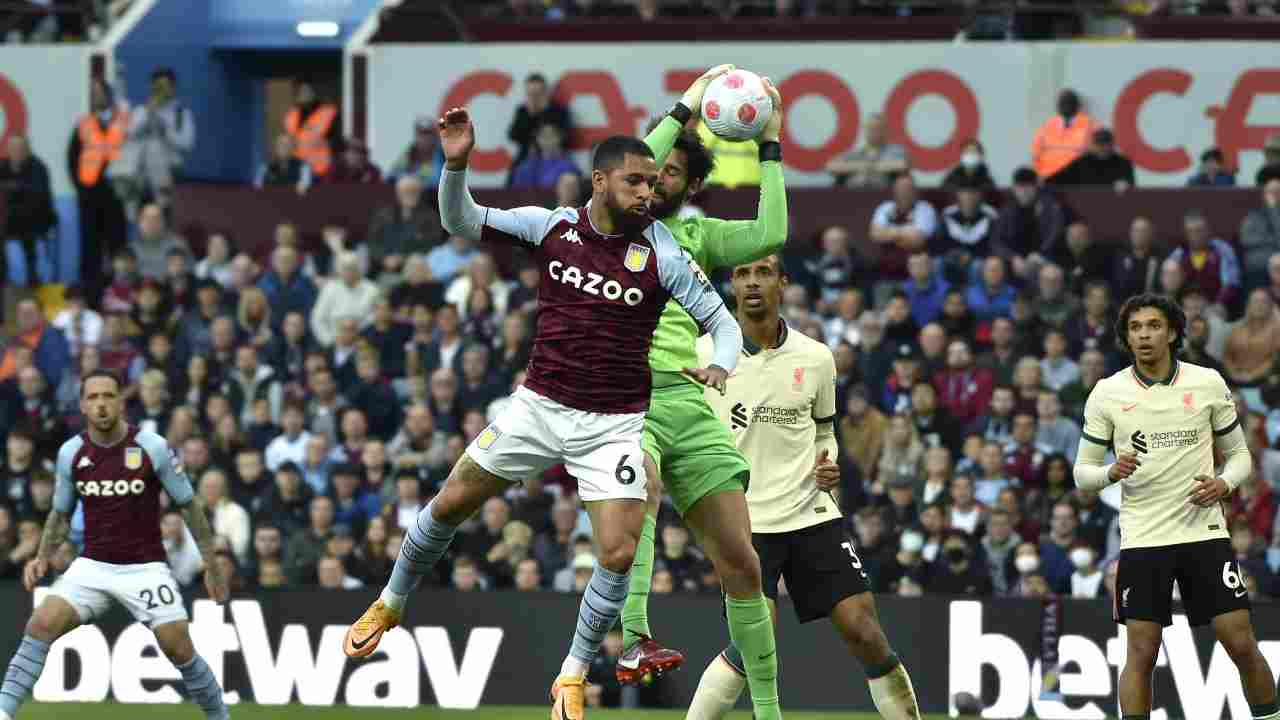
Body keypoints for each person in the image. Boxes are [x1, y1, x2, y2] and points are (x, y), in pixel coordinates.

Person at [341, 97, 746, 720]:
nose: (648, 193)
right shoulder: (549, 226)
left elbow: (723, 324)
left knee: (616, 551)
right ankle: (391, 602)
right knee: (450, 504)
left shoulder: (663, 253)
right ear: (600, 182)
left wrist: (721, 362)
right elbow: (461, 221)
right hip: (538, 407)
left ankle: (572, 673)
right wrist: (455, 166)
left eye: (653, 182)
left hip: (613, 424)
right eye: (635, 181)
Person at [564, 70, 787, 719]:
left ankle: (770, 712)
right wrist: (685, 106)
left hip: (689, 402)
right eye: (645, 171)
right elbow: (634, 162)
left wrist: (770, 145)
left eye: (667, 174)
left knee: (742, 564)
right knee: (644, 488)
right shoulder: (605, 225)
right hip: (621, 392)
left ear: (688, 188)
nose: (651, 179)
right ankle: (634, 636)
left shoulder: (695, 240)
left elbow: (768, 232)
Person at [685, 253, 921, 720]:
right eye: (742, 274)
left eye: (763, 273)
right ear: (731, 286)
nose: (752, 283)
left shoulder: (816, 358)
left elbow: (823, 430)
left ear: (783, 283)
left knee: (864, 630)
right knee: (756, 638)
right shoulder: (703, 354)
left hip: (811, 513)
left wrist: (827, 462)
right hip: (743, 519)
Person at [1075, 293, 1280, 720]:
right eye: (1135, 328)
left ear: (1171, 333)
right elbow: (1083, 474)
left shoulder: (1206, 382)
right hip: (1144, 539)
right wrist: (1111, 472)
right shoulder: (1107, 393)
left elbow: (1240, 456)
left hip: (1202, 533)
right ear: (1126, 337)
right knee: (1141, 652)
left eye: (1153, 326)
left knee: (1240, 641)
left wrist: (1223, 482)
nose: (1144, 334)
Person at [0, 370, 231, 720]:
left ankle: (219, 716)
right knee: (40, 625)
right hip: (92, 565)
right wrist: (42, 557)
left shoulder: (151, 447)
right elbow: (61, 513)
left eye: (108, 396)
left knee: (178, 647)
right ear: (82, 406)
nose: (101, 404)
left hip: (145, 567)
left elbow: (189, 506)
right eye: (93, 398)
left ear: (121, 402)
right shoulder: (71, 453)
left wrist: (213, 567)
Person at [67, 76, 130, 299]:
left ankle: (119, 296)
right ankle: (90, 297)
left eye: (99, 91)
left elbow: (130, 154)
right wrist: (82, 189)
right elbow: (72, 158)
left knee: (117, 248)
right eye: (92, 92)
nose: (96, 95)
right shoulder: (83, 123)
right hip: (89, 199)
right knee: (89, 250)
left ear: (108, 94)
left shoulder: (122, 122)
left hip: (116, 197)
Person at [1, 135, 57, 288]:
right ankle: (4, 278)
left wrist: (12, 188)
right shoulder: (4, 165)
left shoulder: (38, 166)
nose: (16, 151)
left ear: (28, 149)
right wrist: (15, 188)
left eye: (20, 148)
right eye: (12, 148)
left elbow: (39, 195)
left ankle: (32, 277)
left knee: (28, 229)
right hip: (11, 218)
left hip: (38, 216)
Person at [283, 78, 339, 179]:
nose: (305, 94)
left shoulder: (328, 112)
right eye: (301, 91)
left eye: (308, 91)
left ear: (315, 92)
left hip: (322, 168)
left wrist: (326, 143)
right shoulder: (291, 115)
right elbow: (288, 141)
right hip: (297, 168)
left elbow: (337, 141)